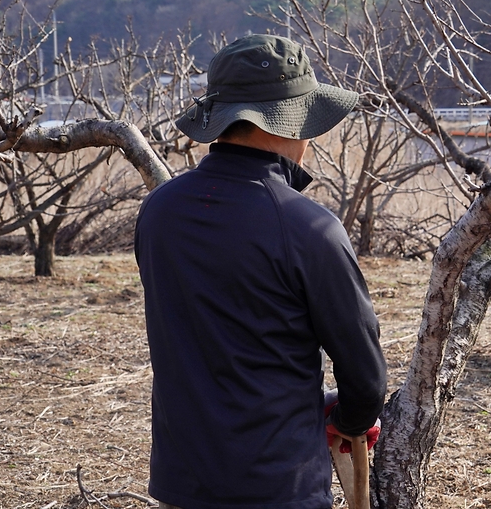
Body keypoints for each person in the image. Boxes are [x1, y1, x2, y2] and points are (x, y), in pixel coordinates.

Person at [135, 34, 387, 509]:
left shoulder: (159, 211)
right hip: (277, 486)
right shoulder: (309, 228)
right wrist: (348, 419)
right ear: (290, 123)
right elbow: (366, 381)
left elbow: (216, 345)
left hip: (181, 480)